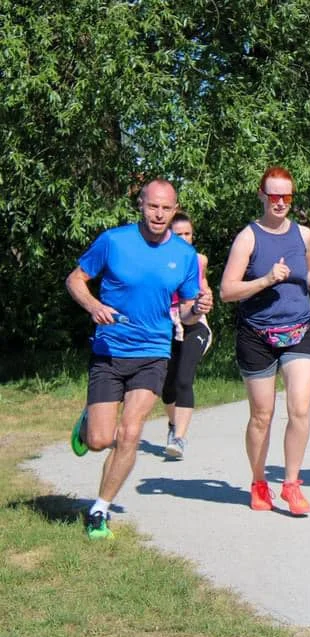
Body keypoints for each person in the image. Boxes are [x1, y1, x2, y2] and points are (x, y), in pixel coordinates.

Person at [66, 179, 214, 539]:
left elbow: (188, 311)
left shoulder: (183, 255)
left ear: (175, 209)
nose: (159, 214)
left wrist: (198, 308)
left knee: (131, 432)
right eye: (152, 207)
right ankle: (89, 423)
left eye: (166, 208)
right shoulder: (114, 241)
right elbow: (75, 279)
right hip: (110, 350)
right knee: (101, 440)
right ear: (141, 206)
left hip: (153, 352)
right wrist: (94, 305)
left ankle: (99, 510)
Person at [220, 166, 310, 516]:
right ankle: (258, 481)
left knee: (299, 410)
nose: (280, 202)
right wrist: (266, 279)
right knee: (262, 416)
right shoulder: (248, 238)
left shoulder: (305, 235)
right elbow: (227, 291)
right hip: (256, 334)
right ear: (261, 196)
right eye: (273, 196)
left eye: (287, 196)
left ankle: (291, 484)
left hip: (300, 329)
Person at [160, 212, 213, 459]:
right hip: (166, 325)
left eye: (187, 234)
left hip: (194, 325)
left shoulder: (198, 260)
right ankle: (173, 426)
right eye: (178, 234)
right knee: (167, 387)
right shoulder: (157, 259)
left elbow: (203, 287)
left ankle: (179, 438)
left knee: (184, 378)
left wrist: (205, 298)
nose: (183, 238)